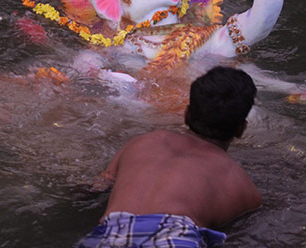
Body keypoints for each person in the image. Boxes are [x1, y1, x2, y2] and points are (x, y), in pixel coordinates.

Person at [77, 66, 262, 247]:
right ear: (241, 129)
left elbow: (99, 186)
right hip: (176, 239)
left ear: (187, 115)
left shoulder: (143, 143)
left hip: (110, 235)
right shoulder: (240, 184)